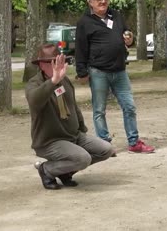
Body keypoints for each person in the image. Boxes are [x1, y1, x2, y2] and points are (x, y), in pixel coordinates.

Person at [75, 0, 155, 154]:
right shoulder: (84, 22)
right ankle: (104, 145)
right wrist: (81, 72)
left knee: (129, 106)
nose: (103, 1)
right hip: (98, 72)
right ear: (90, 2)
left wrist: (129, 38)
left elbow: (126, 33)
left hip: (120, 70)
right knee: (99, 110)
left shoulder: (116, 15)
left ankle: (134, 142)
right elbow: (80, 48)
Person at [26, 44, 114, 190]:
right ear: (42, 65)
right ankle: (47, 170)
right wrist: (53, 82)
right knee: (83, 158)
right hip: (50, 141)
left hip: (72, 135)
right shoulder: (34, 84)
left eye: (59, 60)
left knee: (106, 149)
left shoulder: (65, 81)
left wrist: (81, 128)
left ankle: (64, 171)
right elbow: (35, 101)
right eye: (52, 62)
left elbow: (73, 106)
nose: (57, 65)